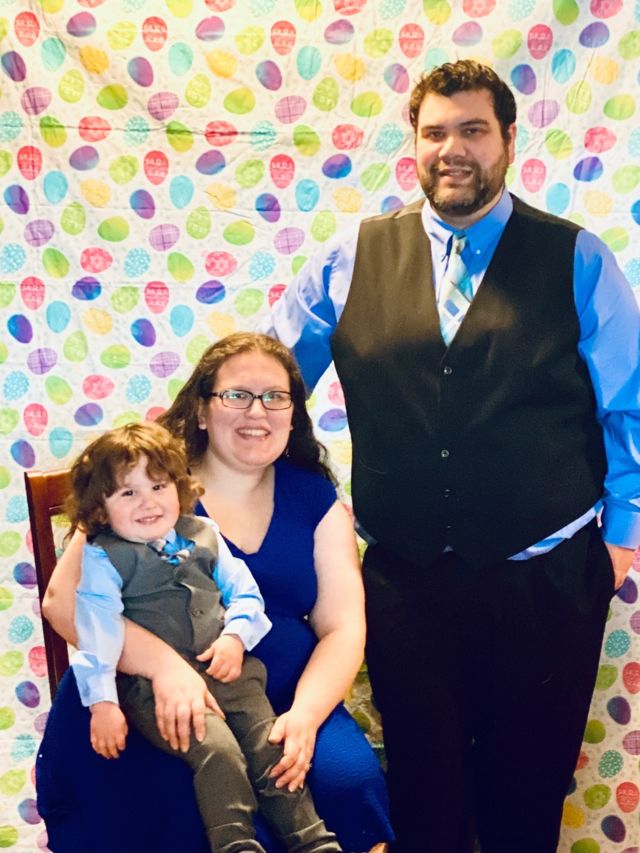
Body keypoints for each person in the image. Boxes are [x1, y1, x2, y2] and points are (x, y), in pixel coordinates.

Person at [264, 59, 640, 853]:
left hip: (547, 579)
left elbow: (631, 407)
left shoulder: (578, 259)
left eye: (473, 129)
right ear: (414, 143)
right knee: (424, 793)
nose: (453, 149)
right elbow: (268, 387)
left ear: (509, 140)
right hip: (404, 585)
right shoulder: (348, 260)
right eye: (435, 132)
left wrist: (619, 543)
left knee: (526, 794)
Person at [39, 333, 393, 853]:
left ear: (293, 414)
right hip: (149, 698)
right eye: (237, 395)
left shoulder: (314, 497)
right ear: (202, 410)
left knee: (348, 784)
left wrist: (305, 715)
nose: (258, 411)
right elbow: (63, 603)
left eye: (275, 396)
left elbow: (343, 627)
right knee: (185, 801)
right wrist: (166, 667)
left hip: (279, 693)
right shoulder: (145, 486)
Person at [66, 421, 341, 853]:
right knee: (219, 752)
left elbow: (245, 594)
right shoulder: (104, 557)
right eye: (128, 493)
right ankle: (235, 844)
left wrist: (235, 637)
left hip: (234, 676)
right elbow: (97, 632)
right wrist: (103, 703)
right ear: (100, 508)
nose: (148, 502)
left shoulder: (203, 533)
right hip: (160, 695)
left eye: (158, 486)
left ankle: (313, 842)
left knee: (272, 750)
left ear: (178, 487)